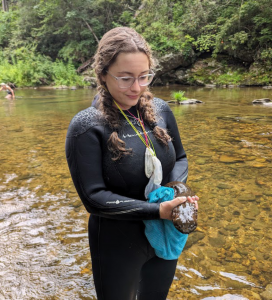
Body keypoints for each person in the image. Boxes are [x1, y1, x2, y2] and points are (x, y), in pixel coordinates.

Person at [65, 27, 199, 300]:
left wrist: (176, 193)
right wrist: (157, 209)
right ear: (103, 74)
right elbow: (94, 197)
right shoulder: (87, 126)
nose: (136, 87)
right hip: (117, 241)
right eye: (125, 78)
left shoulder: (160, 110)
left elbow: (181, 158)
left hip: (166, 230)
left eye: (144, 77)